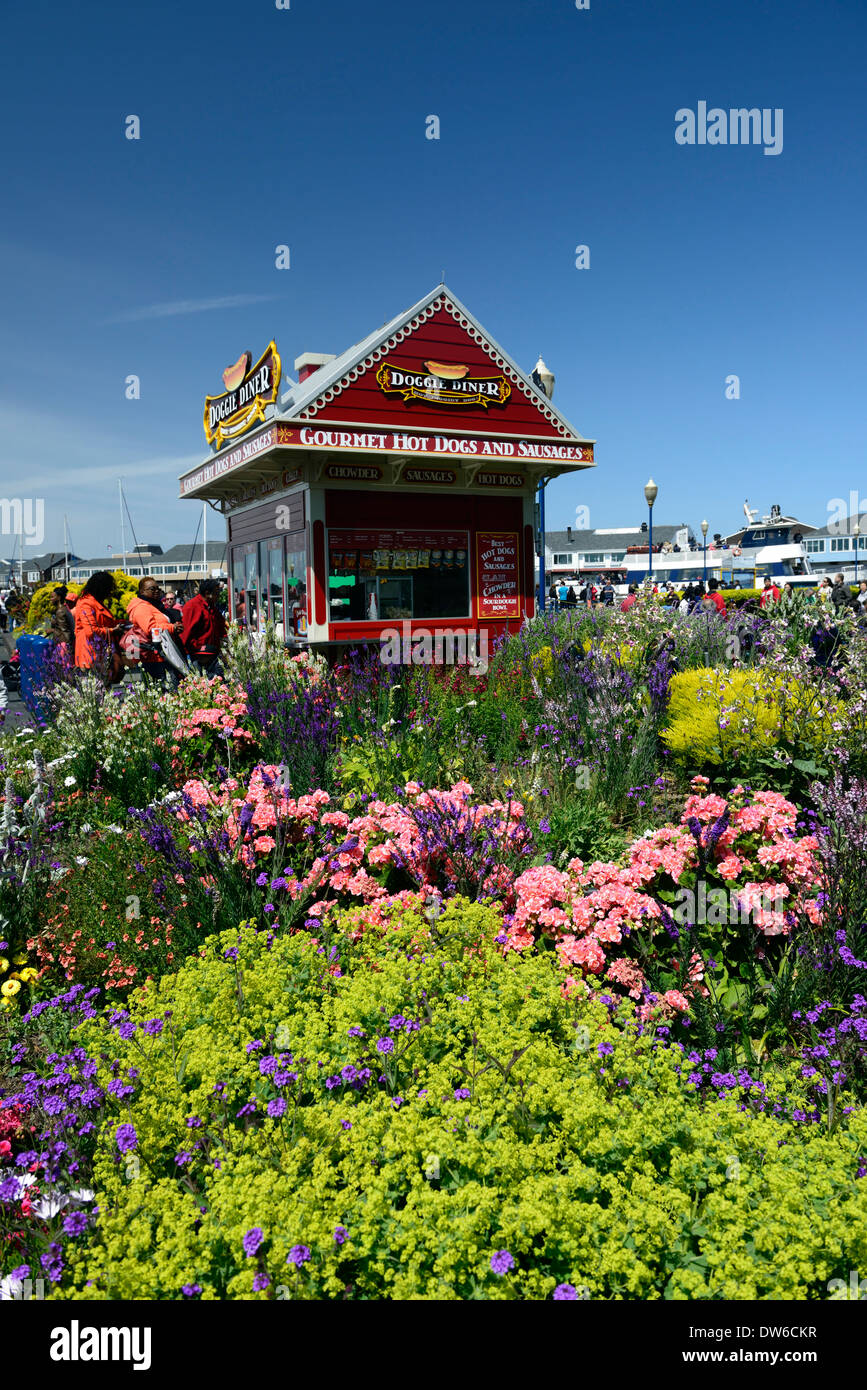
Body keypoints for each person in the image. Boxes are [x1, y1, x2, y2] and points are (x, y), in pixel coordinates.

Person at [127, 577, 184, 685]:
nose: (157, 591)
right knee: (166, 690)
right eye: (152, 589)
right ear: (142, 592)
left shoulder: (155, 605)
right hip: (154, 658)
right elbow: (150, 628)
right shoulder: (141, 607)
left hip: (164, 654)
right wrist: (172, 628)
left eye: (158, 588)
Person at [74, 572, 123, 678]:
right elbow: (91, 632)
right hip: (90, 656)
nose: (110, 592)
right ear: (101, 588)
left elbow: (104, 623)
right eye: (109, 588)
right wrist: (112, 631)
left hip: (100, 655)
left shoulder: (97, 602)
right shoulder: (85, 603)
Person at [181, 579, 227, 674]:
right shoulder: (192, 606)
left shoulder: (211, 606)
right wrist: (197, 650)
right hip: (198, 657)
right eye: (216, 593)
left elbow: (222, 625)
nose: (219, 595)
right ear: (207, 593)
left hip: (213, 655)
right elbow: (186, 634)